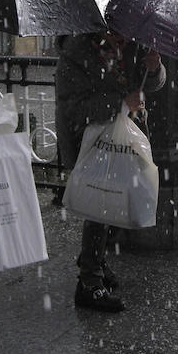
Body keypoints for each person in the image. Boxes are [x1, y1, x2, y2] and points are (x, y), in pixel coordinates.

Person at [55, 29, 165, 312]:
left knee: (117, 203)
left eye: (127, 32)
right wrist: (120, 104)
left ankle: (94, 259)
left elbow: (151, 85)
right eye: (116, 32)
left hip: (122, 139)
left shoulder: (132, 46)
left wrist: (153, 70)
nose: (124, 38)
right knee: (101, 205)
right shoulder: (76, 54)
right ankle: (89, 282)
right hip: (89, 140)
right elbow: (75, 108)